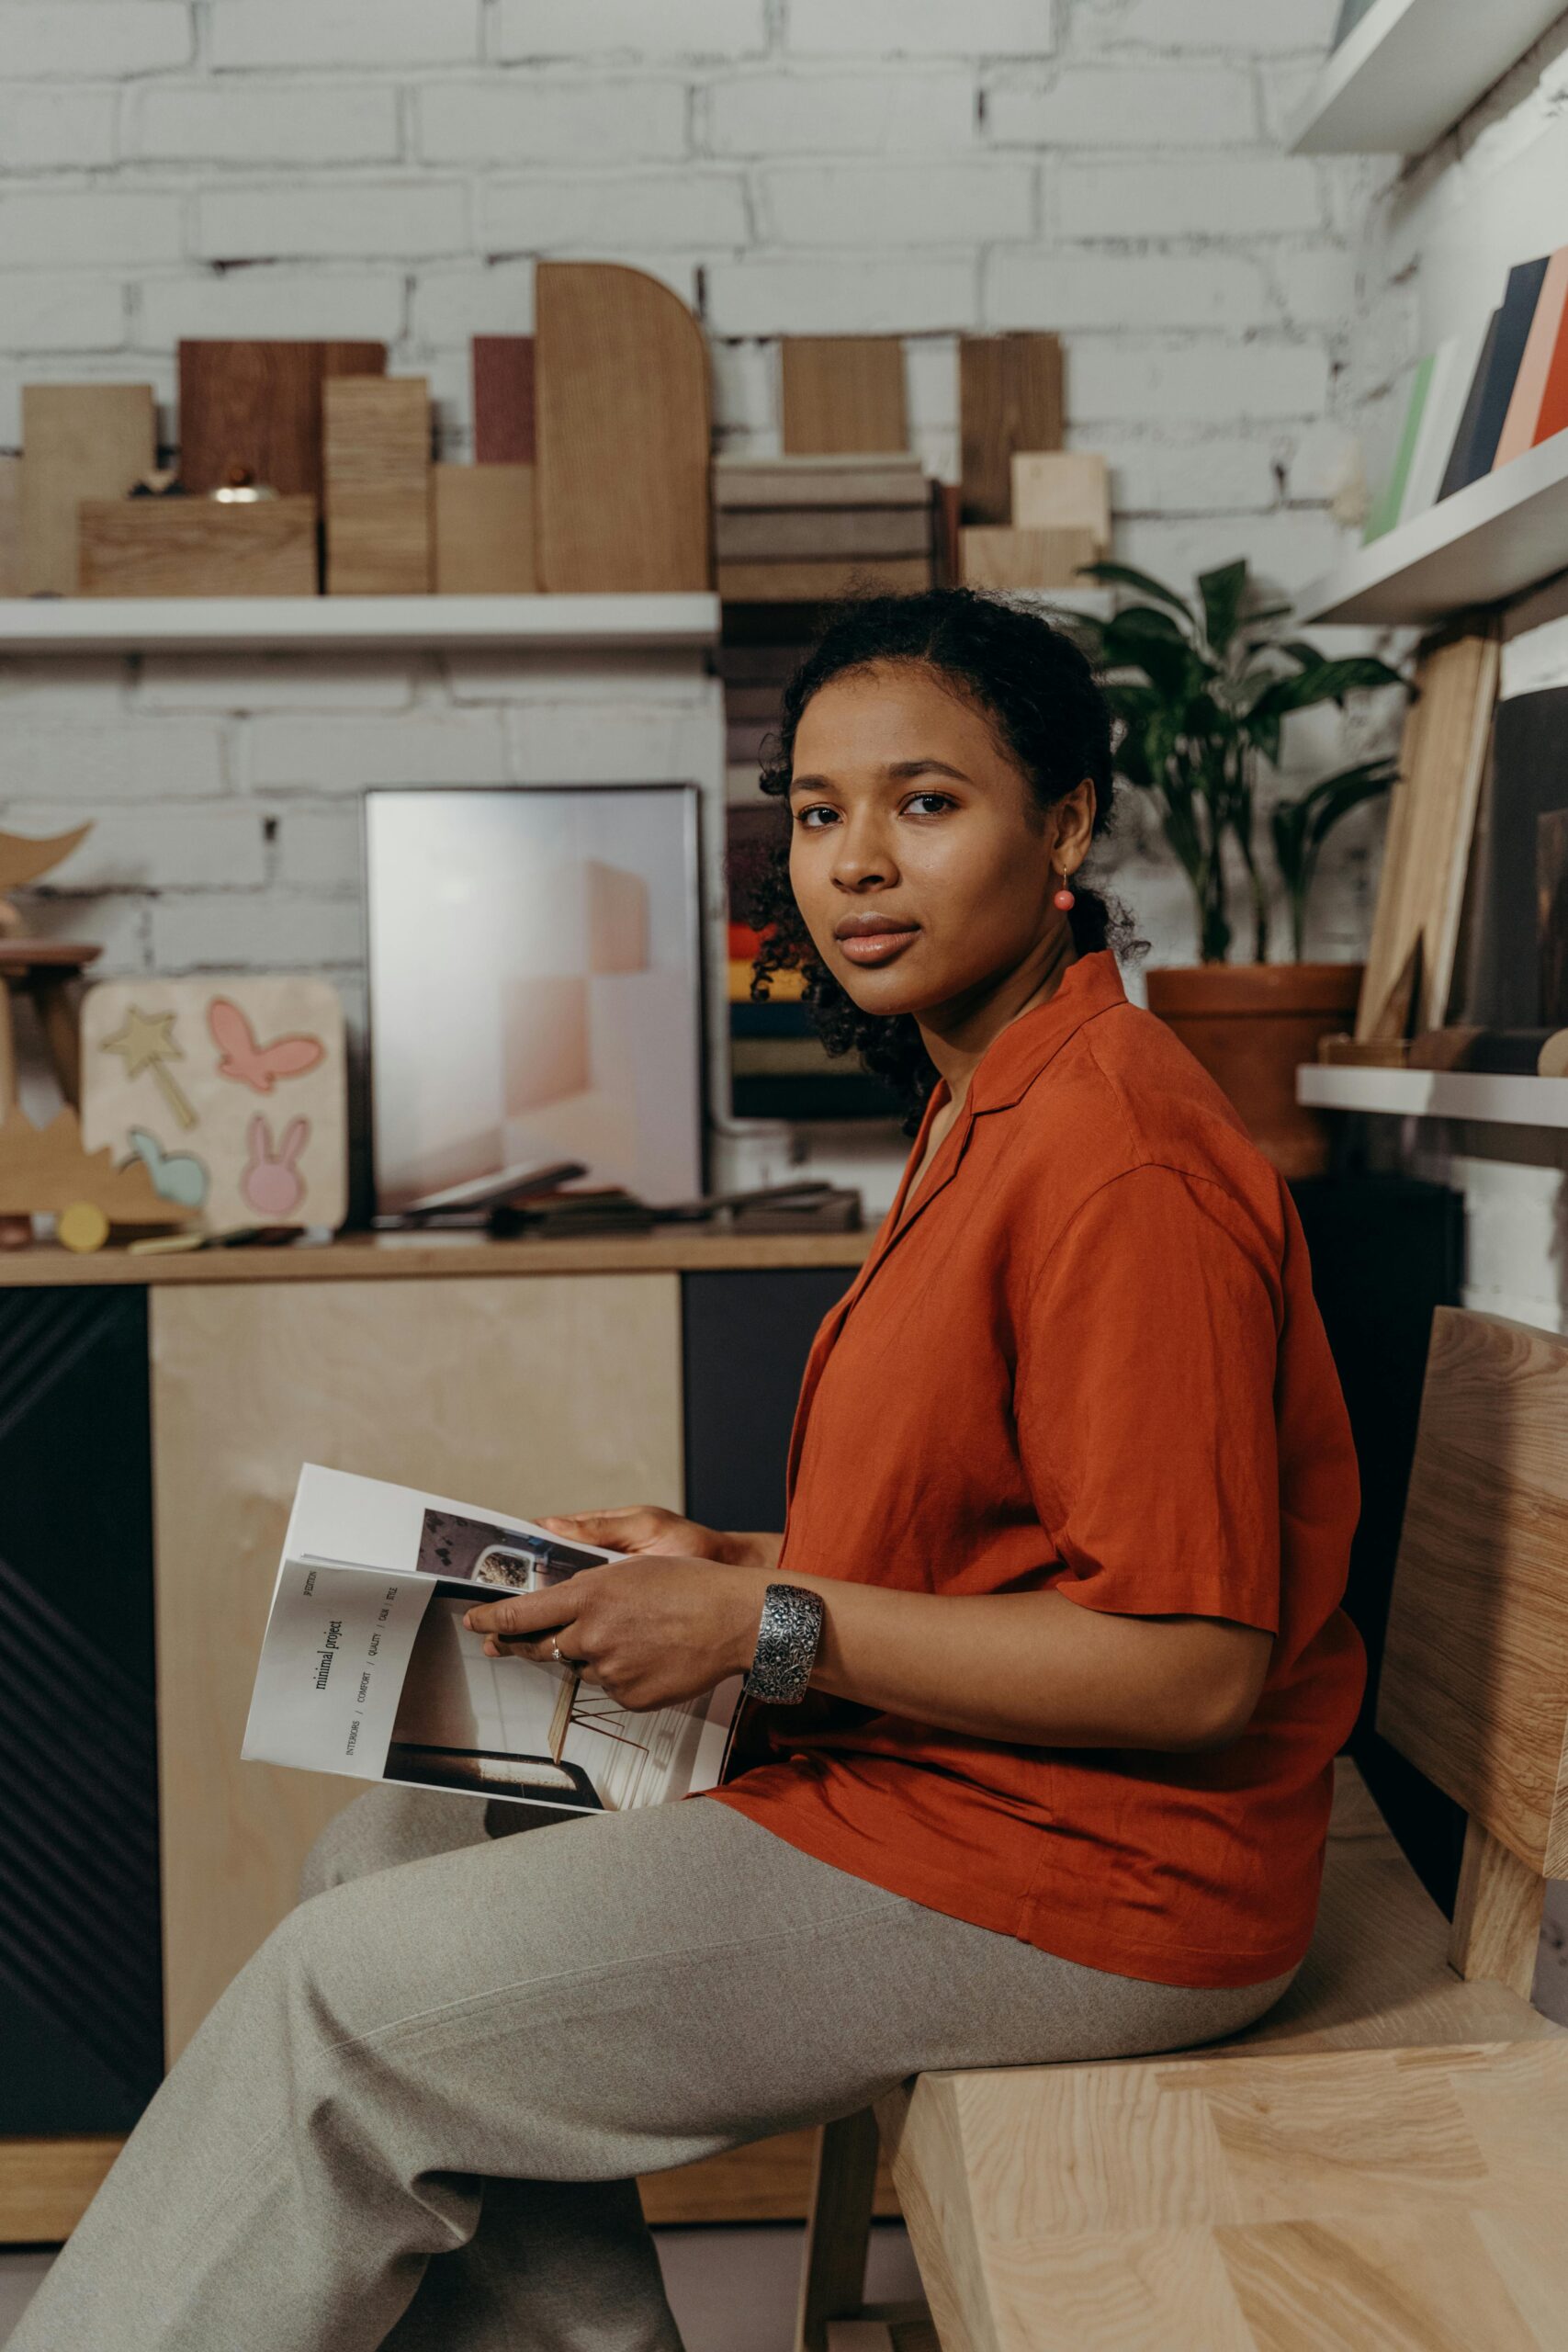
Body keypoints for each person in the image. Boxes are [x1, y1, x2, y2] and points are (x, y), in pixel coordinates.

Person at [16, 590, 1364, 2352]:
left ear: (1070, 830)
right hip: (957, 1787)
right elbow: (1024, 1533)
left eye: (927, 804)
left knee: (346, 2007)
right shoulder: (995, 1099)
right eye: (818, 814)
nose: (859, 864)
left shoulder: (1120, 1161)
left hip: (1096, 1875)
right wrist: (726, 1555)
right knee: (386, 1848)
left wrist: (761, 1624)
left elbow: (1192, 1668)